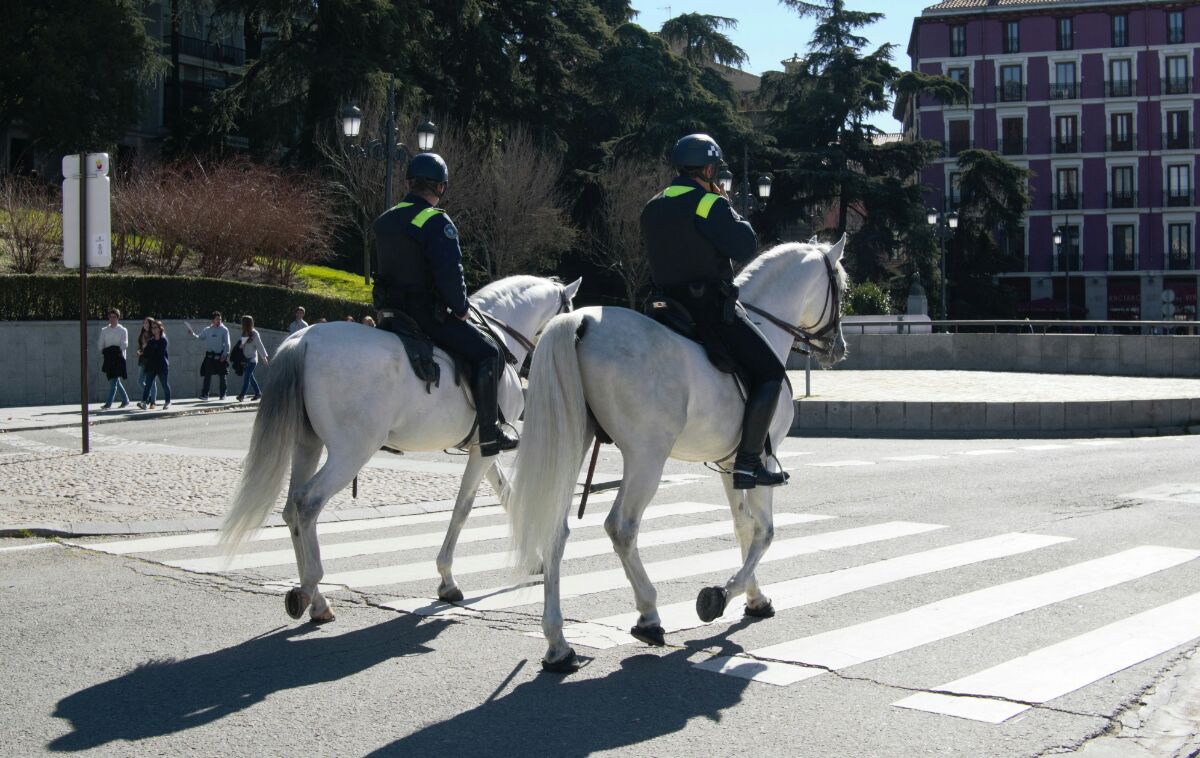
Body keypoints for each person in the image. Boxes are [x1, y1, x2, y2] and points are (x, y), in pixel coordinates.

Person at [640, 133, 787, 490]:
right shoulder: (709, 204)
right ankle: (749, 464)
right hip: (708, 310)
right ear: (708, 168)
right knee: (770, 372)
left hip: (662, 308)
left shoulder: (653, 205)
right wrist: (728, 206)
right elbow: (746, 244)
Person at [373, 152, 517, 456]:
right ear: (441, 187)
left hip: (389, 315)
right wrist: (462, 307)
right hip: (425, 316)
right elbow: (450, 275)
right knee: (489, 352)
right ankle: (489, 434)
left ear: (409, 182)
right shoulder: (436, 221)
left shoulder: (385, 220)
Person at [186, 311, 230, 400]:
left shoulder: (224, 330)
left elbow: (228, 344)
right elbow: (200, 337)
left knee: (222, 376)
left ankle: (223, 394)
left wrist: (225, 355)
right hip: (210, 357)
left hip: (220, 357)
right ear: (212, 320)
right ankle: (205, 395)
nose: (219, 321)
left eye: (220, 319)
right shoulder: (207, 329)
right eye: (217, 319)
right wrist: (193, 334)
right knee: (207, 376)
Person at [98, 308, 130, 409]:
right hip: (108, 358)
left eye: (114, 317)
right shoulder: (104, 330)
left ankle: (109, 403)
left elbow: (124, 344)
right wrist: (104, 351)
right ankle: (125, 400)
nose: (112, 319)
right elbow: (100, 343)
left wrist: (117, 351)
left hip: (119, 358)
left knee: (114, 381)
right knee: (115, 380)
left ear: (118, 318)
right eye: (110, 317)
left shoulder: (123, 330)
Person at [235, 315, 270, 402]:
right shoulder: (244, 333)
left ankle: (242, 395)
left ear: (245, 324)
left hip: (252, 360)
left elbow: (260, 346)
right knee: (250, 377)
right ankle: (258, 393)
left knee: (246, 377)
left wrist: (264, 358)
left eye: (242, 323)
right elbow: (242, 346)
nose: (241, 325)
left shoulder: (255, 333)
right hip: (245, 359)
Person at [139, 320, 171, 410]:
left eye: (155, 327)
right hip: (151, 366)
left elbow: (159, 353)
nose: (153, 329)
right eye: (152, 328)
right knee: (148, 384)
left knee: (164, 384)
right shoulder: (151, 341)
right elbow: (147, 354)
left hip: (162, 366)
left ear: (160, 329)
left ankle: (167, 401)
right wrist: (143, 352)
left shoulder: (163, 340)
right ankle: (144, 402)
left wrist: (149, 350)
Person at [135, 316, 157, 406]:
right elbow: (141, 346)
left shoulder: (154, 335)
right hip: (143, 359)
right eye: (144, 323)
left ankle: (153, 402)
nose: (144, 324)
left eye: (146, 323)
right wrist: (139, 350)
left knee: (152, 382)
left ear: (151, 324)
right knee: (140, 380)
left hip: (152, 360)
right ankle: (148, 396)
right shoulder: (143, 334)